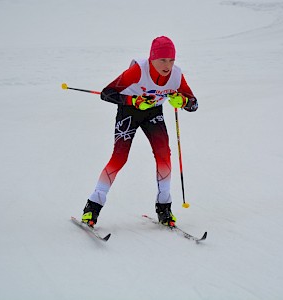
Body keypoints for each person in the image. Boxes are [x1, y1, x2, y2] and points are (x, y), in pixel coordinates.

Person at [81, 36, 198, 228]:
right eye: (162, 60)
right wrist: (133, 101)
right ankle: (92, 208)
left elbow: (194, 104)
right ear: (152, 58)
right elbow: (106, 93)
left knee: (164, 157)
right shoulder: (138, 71)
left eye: (171, 60)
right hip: (129, 111)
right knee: (119, 158)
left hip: (153, 112)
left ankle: (164, 208)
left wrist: (183, 102)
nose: (167, 65)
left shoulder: (176, 75)